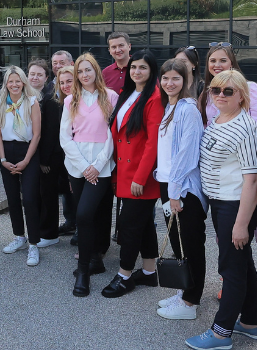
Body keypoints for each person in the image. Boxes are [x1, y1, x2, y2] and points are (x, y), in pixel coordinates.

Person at [185, 69, 257, 350]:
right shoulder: (218, 119)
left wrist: (241, 224)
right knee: (243, 265)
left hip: (235, 205)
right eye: (216, 90)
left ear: (241, 95)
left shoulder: (245, 127)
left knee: (230, 269)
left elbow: (253, 179)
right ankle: (252, 322)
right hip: (220, 203)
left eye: (228, 91)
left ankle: (221, 333)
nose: (220, 95)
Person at [101, 50, 163, 298]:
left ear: (152, 71)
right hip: (126, 170)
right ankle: (149, 272)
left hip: (141, 175)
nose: (137, 71)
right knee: (144, 222)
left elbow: (153, 143)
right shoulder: (128, 94)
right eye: (134, 67)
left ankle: (125, 275)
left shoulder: (155, 97)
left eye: (143, 68)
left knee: (128, 224)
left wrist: (140, 177)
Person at [154, 58, 208, 320]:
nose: (169, 83)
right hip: (169, 186)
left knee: (191, 244)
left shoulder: (189, 110)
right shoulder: (170, 107)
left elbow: (187, 154)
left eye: (175, 78)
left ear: (186, 80)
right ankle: (185, 290)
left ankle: (191, 302)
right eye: (165, 78)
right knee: (178, 242)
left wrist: (174, 192)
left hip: (184, 189)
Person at [61, 53, 118, 297]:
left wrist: (97, 164)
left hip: (102, 165)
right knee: (85, 214)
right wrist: (84, 166)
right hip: (77, 165)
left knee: (85, 215)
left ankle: (82, 270)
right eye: (80, 72)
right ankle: (94, 260)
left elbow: (112, 135)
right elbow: (65, 137)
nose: (84, 75)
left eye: (88, 70)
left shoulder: (111, 97)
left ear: (96, 71)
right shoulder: (70, 100)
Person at [0, 65, 44, 266]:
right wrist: (3, 159)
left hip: (28, 152)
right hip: (7, 152)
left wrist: (25, 161)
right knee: (12, 198)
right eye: (10, 81)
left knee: (30, 198)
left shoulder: (32, 102)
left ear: (23, 82)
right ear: (6, 83)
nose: (14, 84)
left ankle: (33, 243)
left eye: (18, 81)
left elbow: (37, 134)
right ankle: (19, 237)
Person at [199, 42, 257, 138]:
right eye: (213, 61)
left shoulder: (250, 88)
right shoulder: (207, 93)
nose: (217, 65)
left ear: (232, 63)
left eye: (223, 60)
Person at [28, 59, 63, 248]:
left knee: (47, 195)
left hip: (47, 157)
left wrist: (45, 159)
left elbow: (50, 132)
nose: (35, 77)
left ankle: (50, 234)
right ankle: (39, 231)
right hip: (33, 154)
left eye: (39, 74)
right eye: (32, 74)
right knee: (37, 194)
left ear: (46, 77)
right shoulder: (27, 95)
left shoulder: (49, 98)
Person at [50, 50, 78, 236]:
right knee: (68, 191)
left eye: (62, 62)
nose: (58, 65)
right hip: (63, 153)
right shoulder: (56, 94)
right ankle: (71, 223)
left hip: (83, 154)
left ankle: (81, 230)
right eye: (55, 63)